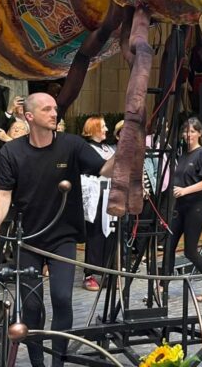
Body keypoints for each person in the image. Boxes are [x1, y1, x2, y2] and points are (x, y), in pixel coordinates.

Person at [0, 93, 115, 367]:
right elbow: (4, 194)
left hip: (63, 236)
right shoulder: (12, 152)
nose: (55, 113)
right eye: (47, 109)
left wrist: (125, 152)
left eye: (55, 108)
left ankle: (58, 362)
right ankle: (38, 362)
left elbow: (104, 170)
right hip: (28, 238)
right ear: (29, 117)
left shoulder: (72, 145)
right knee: (31, 306)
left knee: (63, 299)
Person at [162, 118, 202, 302]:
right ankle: (162, 285)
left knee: (190, 251)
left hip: (196, 207)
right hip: (180, 207)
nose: (188, 135)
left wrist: (185, 190)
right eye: (186, 132)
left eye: (192, 131)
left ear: (199, 134)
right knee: (169, 246)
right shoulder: (182, 154)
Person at [79, 116, 116, 292]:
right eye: (103, 126)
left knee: (111, 232)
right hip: (96, 195)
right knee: (95, 233)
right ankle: (90, 273)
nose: (106, 129)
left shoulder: (107, 147)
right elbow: (102, 167)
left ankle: (108, 271)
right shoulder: (86, 149)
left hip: (111, 193)